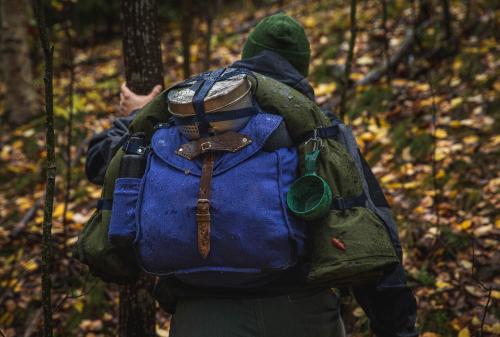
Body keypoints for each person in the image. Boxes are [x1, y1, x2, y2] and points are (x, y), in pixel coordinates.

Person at [85, 13, 417, 337]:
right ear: (302, 68)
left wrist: (133, 117)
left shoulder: (183, 120)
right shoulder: (317, 127)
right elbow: (371, 223)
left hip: (199, 316)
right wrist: (396, 324)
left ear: (245, 55)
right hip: (301, 311)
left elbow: (100, 162)